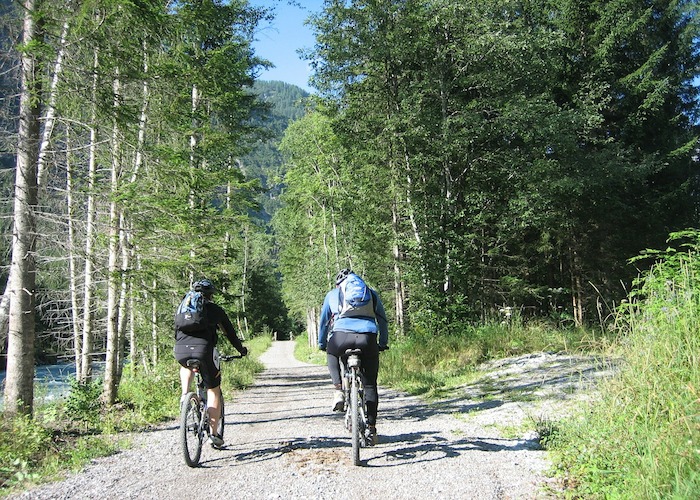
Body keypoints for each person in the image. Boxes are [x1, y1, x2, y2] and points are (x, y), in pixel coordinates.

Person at [173, 278, 248, 449]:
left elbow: (176, 331)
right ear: (210, 295)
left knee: (186, 365)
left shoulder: (183, 309)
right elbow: (230, 334)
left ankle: (185, 394)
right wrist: (240, 350)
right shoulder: (215, 310)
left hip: (181, 350)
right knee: (213, 390)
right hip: (204, 350)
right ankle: (214, 434)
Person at [318, 268, 389, 445]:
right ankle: (371, 429)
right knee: (370, 385)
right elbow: (382, 319)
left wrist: (322, 344)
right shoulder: (370, 294)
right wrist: (382, 343)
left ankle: (338, 390)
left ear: (339, 285)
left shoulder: (333, 295)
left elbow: (324, 323)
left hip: (341, 337)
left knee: (331, 352)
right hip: (368, 337)